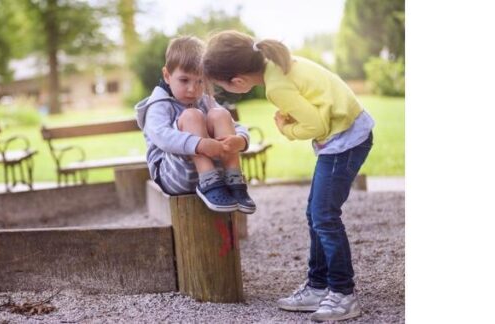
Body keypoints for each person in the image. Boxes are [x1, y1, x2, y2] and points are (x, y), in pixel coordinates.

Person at [203, 30, 375, 322]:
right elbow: (317, 102)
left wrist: (287, 129)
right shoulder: (278, 63)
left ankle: (343, 293)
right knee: (316, 214)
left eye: (221, 87)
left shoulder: (276, 86)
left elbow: (317, 125)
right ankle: (318, 286)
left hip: (344, 141)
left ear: (238, 81)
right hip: (347, 132)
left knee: (324, 216)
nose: (223, 92)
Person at [134, 36, 256, 214]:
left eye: (200, 81)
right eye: (184, 80)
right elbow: (161, 136)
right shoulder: (159, 105)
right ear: (167, 76)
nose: (193, 89)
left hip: (218, 177)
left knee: (220, 114)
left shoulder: (205, 100)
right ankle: (209, 181)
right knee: (192, 116)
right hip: (174, 175)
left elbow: (234, 125)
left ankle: (234, 179)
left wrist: (241, 140)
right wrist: (199, 144)